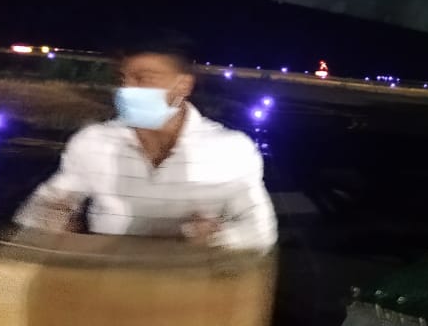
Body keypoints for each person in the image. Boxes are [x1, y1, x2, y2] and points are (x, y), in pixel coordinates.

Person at [16, 33, 277, 253]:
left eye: (144, 79)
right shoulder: (93, 143)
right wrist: (53, 220)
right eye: (123, 79)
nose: (127, 90)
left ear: (183, 85)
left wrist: (215, 238)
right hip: (106, 290)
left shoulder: (229, 151)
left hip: (192, 299)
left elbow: (261, 231)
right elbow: (36, 211)